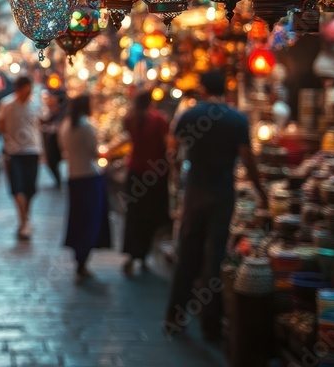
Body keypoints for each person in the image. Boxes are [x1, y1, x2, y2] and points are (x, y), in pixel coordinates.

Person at [164, 70, 266, 341]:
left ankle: (174, 316)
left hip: (195, 194)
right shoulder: (237, 118)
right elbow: (248, 159)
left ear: (202, 88)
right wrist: (261, 191)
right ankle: (211, 324)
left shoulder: (189, 115)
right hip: (222, 195)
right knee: (215, 258)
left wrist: (176, 175)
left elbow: (171, 149)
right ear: (225, 89)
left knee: (187, 255)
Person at [58, 95, 111, 278]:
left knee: (78, 219)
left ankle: (79, 256)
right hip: (89, 176)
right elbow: (94, 151)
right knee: (90, 219)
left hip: (74, 176)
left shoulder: (65, 126)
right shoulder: (86, 126)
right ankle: (83, 258)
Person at [120, 88, 171, 276]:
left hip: (135, 173)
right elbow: (167, 146)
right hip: (155, 175)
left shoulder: (130, 118)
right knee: (152, 215)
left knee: (134, 214)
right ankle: (144, 254)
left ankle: (133, 254)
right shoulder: (159, 119)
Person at [0, 76, 42, 240]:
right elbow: (0, 126)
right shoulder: (6, 105)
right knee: (17, 187)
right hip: (13, 152)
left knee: (30, 188)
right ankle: (23, 220)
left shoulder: (36, 103)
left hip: (33, 150)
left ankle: (25, 217)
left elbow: (39, 124)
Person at [40, 90, 66, 188]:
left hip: (57, 140)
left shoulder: (62, 110)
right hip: (52, 140)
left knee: (54, 160)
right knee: (52, 161)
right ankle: (58, 179)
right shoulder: (53, 111)